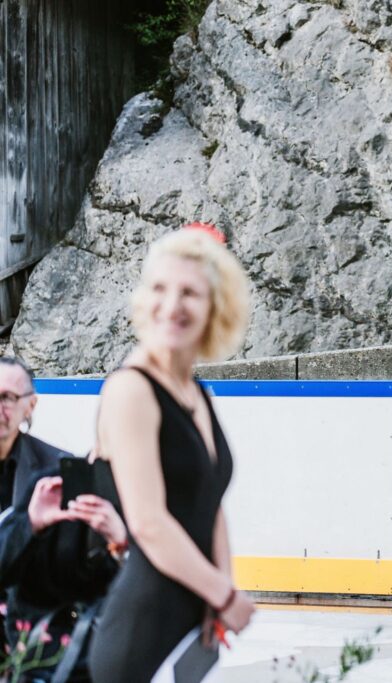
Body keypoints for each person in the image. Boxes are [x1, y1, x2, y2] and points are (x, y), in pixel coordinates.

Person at [89, 225, 256, 682]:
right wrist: (223, 595)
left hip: (195, 620)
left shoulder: (196, 392)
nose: (171, 305)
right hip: (142, 631)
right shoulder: (130, 389)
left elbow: (210, 501)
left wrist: (218, 592)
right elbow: (148, 522)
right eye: (160, 289)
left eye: (190, 293)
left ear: (215, 307)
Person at [0, 356, 125, 682]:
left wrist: (117, 544)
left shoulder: (54, 470)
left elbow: (79, 577)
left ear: (30, 406)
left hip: (24, 628)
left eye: (8, 397)